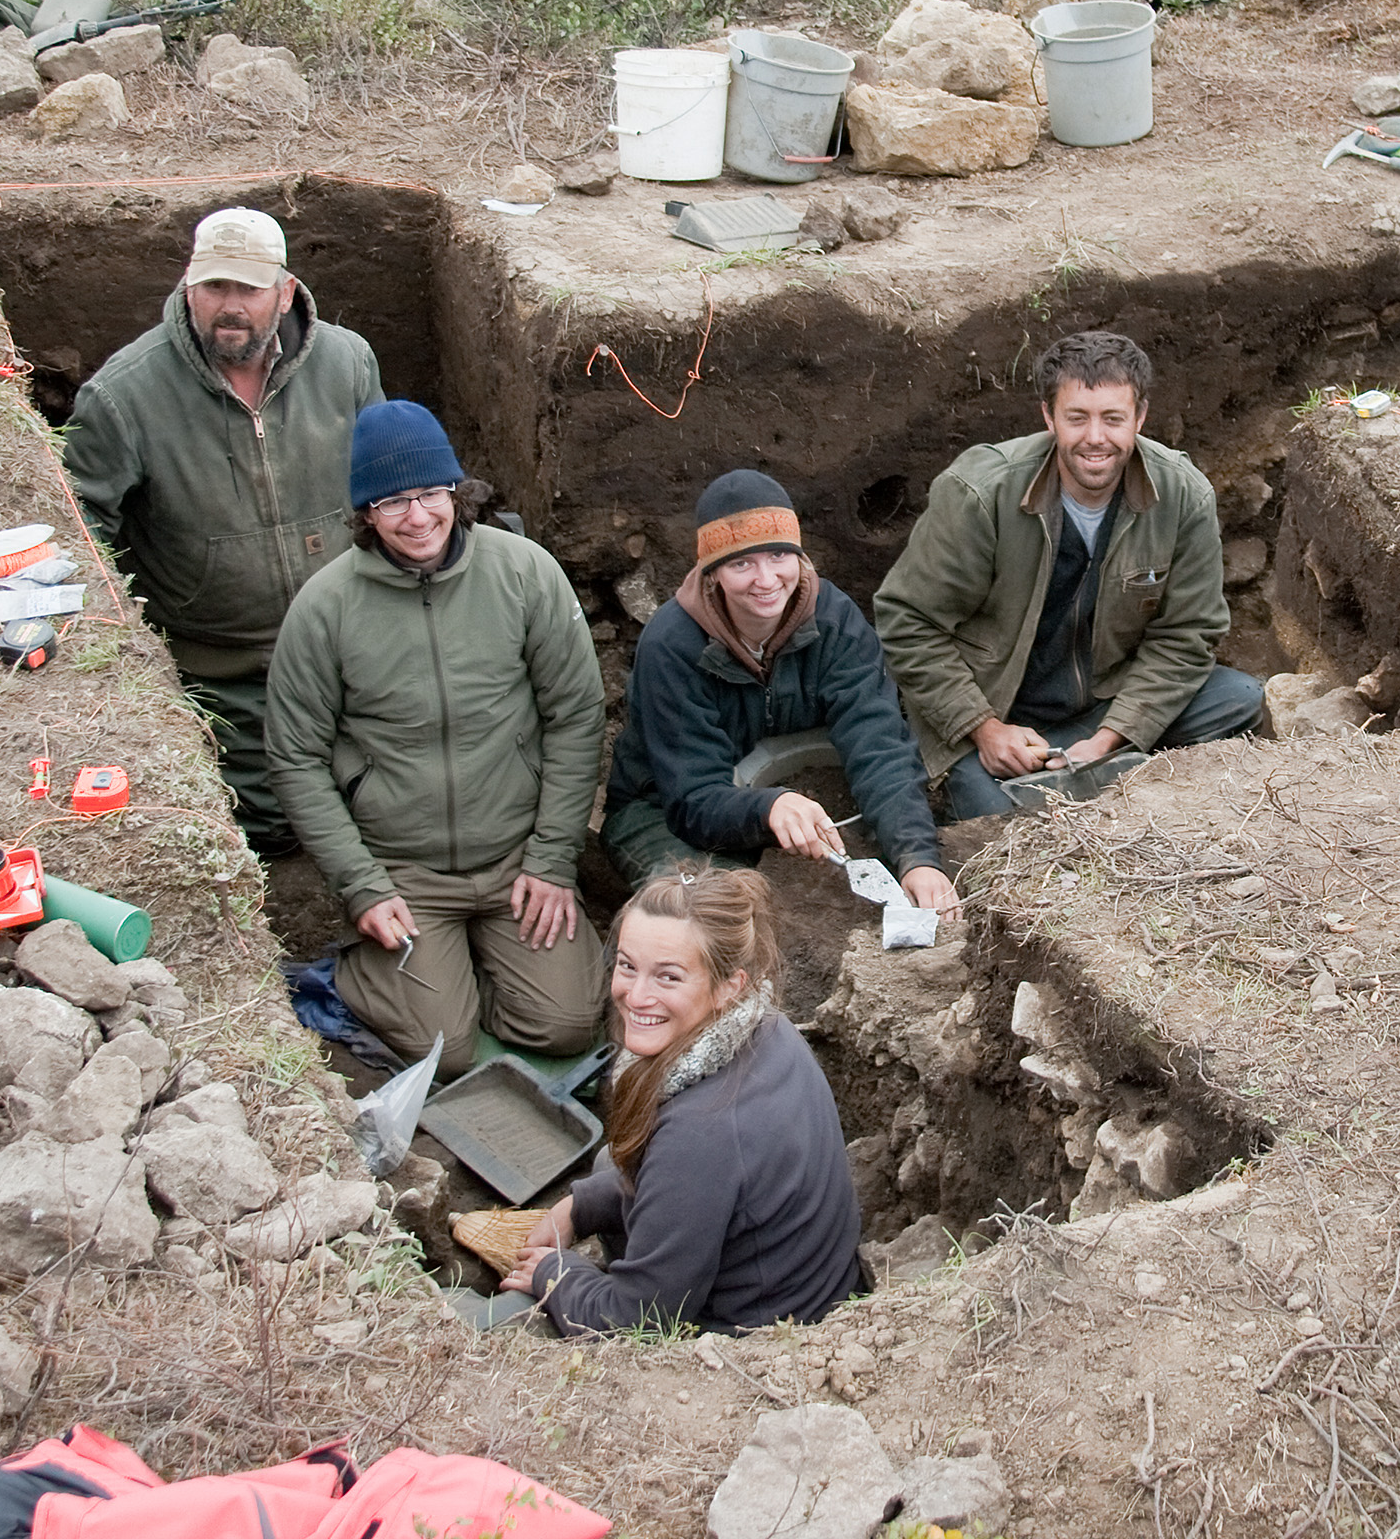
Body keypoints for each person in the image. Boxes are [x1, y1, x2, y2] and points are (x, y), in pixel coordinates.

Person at [266, 402, 605, 1084]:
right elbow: (295, 756)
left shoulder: (525, 573)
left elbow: (576, 715)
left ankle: (476, 964)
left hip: (516, 853)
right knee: (444, 1050)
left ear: (456, 492)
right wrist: (362, 887)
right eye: (392, 502)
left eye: (429, 494)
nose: (417, 518)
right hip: (405, 870)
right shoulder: (325, 607)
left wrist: (553, 858)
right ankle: (384, 967)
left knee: (567, 1021)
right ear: (365, 512)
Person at [64, 207, 383, 857]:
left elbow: (388, 485)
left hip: (348, 638)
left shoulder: (347, 364)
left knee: (391, 797)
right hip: (221, 660)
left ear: (285, 290)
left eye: (248, 289)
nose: (229, 307)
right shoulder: (123, 398)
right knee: (269, 827)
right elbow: (79, 532)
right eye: (215, 288)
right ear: (189, 287)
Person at [874, 330, 1261, 820]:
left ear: (1140, 418)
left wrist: (1109, 737)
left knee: (1239, 699)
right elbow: (907, 622)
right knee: (999, 823)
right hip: (997, 713)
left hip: (1103, 707)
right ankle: (1069, 783)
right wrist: (984, 728)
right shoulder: (979, 493)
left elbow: (1187, 634)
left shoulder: (1183, 495)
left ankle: (1097, 771)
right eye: (1077, 418)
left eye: (1113, 419)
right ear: (1048, 416)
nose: (1095, 438)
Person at [502, 869, 866, 1336]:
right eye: (628, 965)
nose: (635, 996)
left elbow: (638, 1320)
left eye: (668, 977)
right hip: (804, 1284)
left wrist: (554, 1272)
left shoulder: (700, 1132)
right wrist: (577, 1209)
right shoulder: (769, 1025)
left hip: (756, 1336)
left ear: (728, 985)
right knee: (604, 1166)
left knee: (510, 1319)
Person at [599, 471, 959, 916]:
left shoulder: (836, 622)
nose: (766, 579)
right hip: (663, 807)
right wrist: (769, 808)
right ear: (713, 573)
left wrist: (916, 858)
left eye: (778, 555)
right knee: (713, 912)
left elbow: (878, 744)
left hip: (796, 794)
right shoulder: (672, 644)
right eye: (741, 563)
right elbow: (691, 797)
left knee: (882, 879)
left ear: (799, 555)